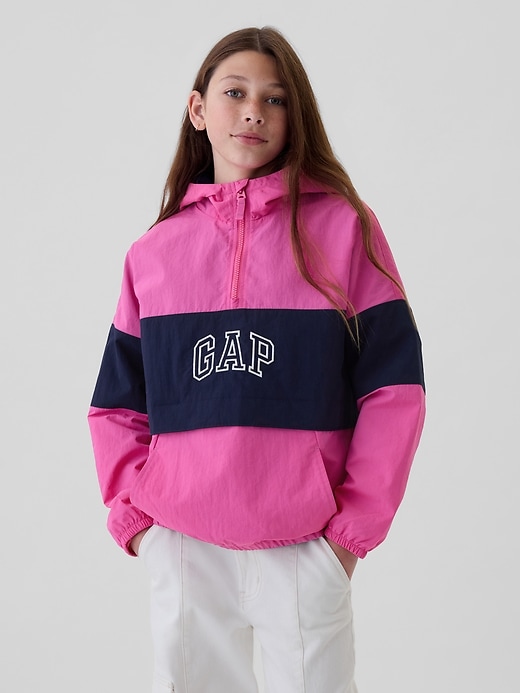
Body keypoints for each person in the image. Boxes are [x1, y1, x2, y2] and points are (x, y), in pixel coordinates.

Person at [88, 26, 425, 693]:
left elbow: (395, 391)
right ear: (197, 109)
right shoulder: (153, 253)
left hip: (305, 543)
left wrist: (348, 535)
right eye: (235, 93)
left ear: (295, 118)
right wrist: (141, 526)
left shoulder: (345, 228)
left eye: (275, 99)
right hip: (185, 544)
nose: (253, 112)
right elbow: (118, 403)